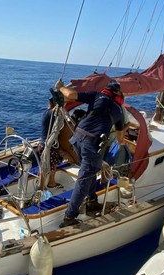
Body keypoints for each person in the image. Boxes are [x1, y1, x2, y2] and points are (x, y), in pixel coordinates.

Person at [55, 78, 126, 227]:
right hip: (90, 144)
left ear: (107, 90)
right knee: (84, 180)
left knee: (92, 169)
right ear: (119, 94)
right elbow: (120, 137)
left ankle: (92, 201)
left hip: (76, 138)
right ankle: (69, 217)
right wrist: (122, 142)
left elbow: (71, 94)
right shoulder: (119, 111)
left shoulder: (97, 95)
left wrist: (60, 87)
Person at [39, 97, 63, 189]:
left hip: (42, 143)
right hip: (49, 145)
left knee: (44, 164)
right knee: (52, 165)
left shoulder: (45, 112)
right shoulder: (54, 114)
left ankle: (41, 186)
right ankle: (50, 183)